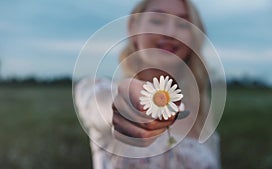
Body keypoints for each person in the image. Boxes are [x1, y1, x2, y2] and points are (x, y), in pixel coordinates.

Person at [75, 0, 221, 168]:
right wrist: (122, 105)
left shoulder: (202, 115)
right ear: (133, 27)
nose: (170, 32)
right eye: (157, 20)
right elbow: (97, 104)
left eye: (183, 23)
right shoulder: (104, 91)